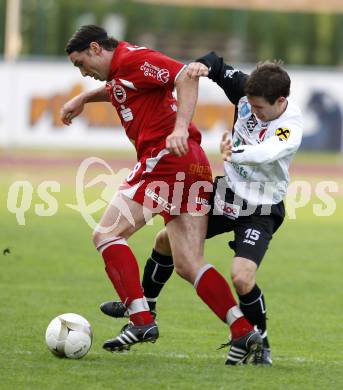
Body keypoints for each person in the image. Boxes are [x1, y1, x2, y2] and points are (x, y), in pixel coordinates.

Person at [60, 25, 262, 365]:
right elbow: (121, 90)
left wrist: (180, 126)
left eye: (82, 63)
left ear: (96, 48)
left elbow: (184, 76)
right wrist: (82, 98)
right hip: (192, 164)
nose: (83, 72)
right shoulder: (123, 72)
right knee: (189, 263)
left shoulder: (135, 59)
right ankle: (242, 329)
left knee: (106, 234)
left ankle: (141, 320)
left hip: (166, 160)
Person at [102, 52, 303, 365]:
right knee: (165, 240)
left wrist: (235, 152)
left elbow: (267, 152)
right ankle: (144, 306)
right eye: (250, 105)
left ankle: (259, 342)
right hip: (226, 193)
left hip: (260, 208)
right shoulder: (246, 90)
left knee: (242, 277)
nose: (254, 112)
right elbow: (218, 65)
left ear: (280, 101)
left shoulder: (290, 127)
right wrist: (201, 66)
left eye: (261, 109)